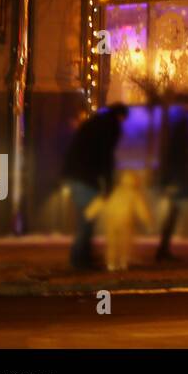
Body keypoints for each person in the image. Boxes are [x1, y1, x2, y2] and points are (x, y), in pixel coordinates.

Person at [62, 103, 126, 270]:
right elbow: (106, 157)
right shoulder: (110, 128)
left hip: (76, 176)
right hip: (87, 179)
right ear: (120, 117)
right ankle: (80, 259)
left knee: (86, 218)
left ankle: (82, 256)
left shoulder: (93, 124)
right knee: (87, 219)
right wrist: (109, 184)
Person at [155, 105, 188, 262]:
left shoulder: (177, 126)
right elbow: (180, 155)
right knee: (173, 212)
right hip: (177, 177)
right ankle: (163, 248)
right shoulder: (182, 127)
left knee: (173, 212)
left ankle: (163, 247)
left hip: (175, 176)